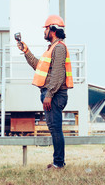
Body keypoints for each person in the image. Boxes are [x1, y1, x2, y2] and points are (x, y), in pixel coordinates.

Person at [17, 14, 73, 169]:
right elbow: (38, 66)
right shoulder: (52, 49)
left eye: (46, 29)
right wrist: (26, 51)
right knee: (54, 128)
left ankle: (58, 164)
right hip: (52, 94)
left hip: (54, 95)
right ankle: (58, 162)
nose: (44, 32)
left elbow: (58, 75)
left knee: (55, 128)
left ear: (52, 30)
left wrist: (49, 95)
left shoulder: (59, 48)